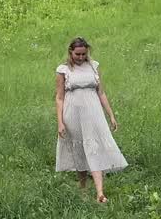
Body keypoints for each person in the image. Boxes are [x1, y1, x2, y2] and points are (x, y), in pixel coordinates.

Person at [54, 37, 126, 203]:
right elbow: (59, 98)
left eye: (83, 54)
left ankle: (100, 193)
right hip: (72, 114)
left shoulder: (94, 66)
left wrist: (111, 115)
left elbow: (101, 93)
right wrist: (60, 122)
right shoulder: (63, 70)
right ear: (70, 52)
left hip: (94, 113)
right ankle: (83, 188)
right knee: (79, 150)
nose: (80, 57)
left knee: (95, 148)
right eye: (77, 54)